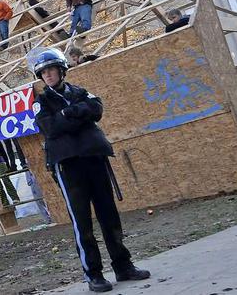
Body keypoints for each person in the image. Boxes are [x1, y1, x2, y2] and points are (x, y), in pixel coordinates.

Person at [31, 47, 150, 292]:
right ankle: (93, 274)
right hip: (68, 165)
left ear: (61, 70)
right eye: (43, 72)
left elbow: (96, 109)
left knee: (109, 215)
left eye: (51, 69)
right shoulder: (40, 102)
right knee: (82, 222)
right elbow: (51, 128)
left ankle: (123, 265)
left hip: (94, 159)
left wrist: (69, 113)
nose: (48, 75)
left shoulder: (80, 91)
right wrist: (78, 114)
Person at [0, 81, 27, 170]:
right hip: (2, 126)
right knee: (8, 146)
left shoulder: (5, 95)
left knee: (17, 144)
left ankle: (23, 162)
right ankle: (13, 165)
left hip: (11, 123)